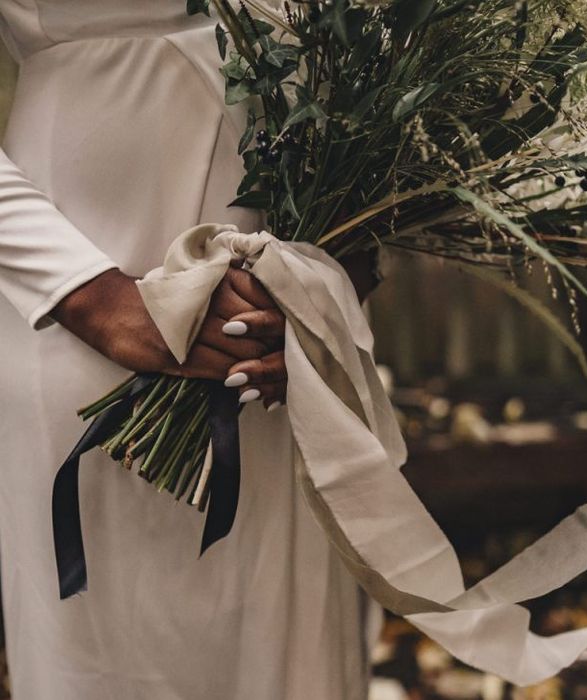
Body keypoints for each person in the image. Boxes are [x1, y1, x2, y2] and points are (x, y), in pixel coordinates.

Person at [0, 2, 378, 698]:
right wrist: (85, 292)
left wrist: (347, 257)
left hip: (288, 336)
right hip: (77, 302)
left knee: (286, 656)